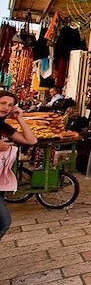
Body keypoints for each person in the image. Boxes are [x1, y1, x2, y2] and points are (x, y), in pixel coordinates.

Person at [0, 91, 38, 241]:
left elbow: (31, 140)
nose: (6, 107)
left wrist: (20, 118)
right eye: (2, 103)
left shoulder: (3, 126)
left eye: (10, 105)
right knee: (3, 222)